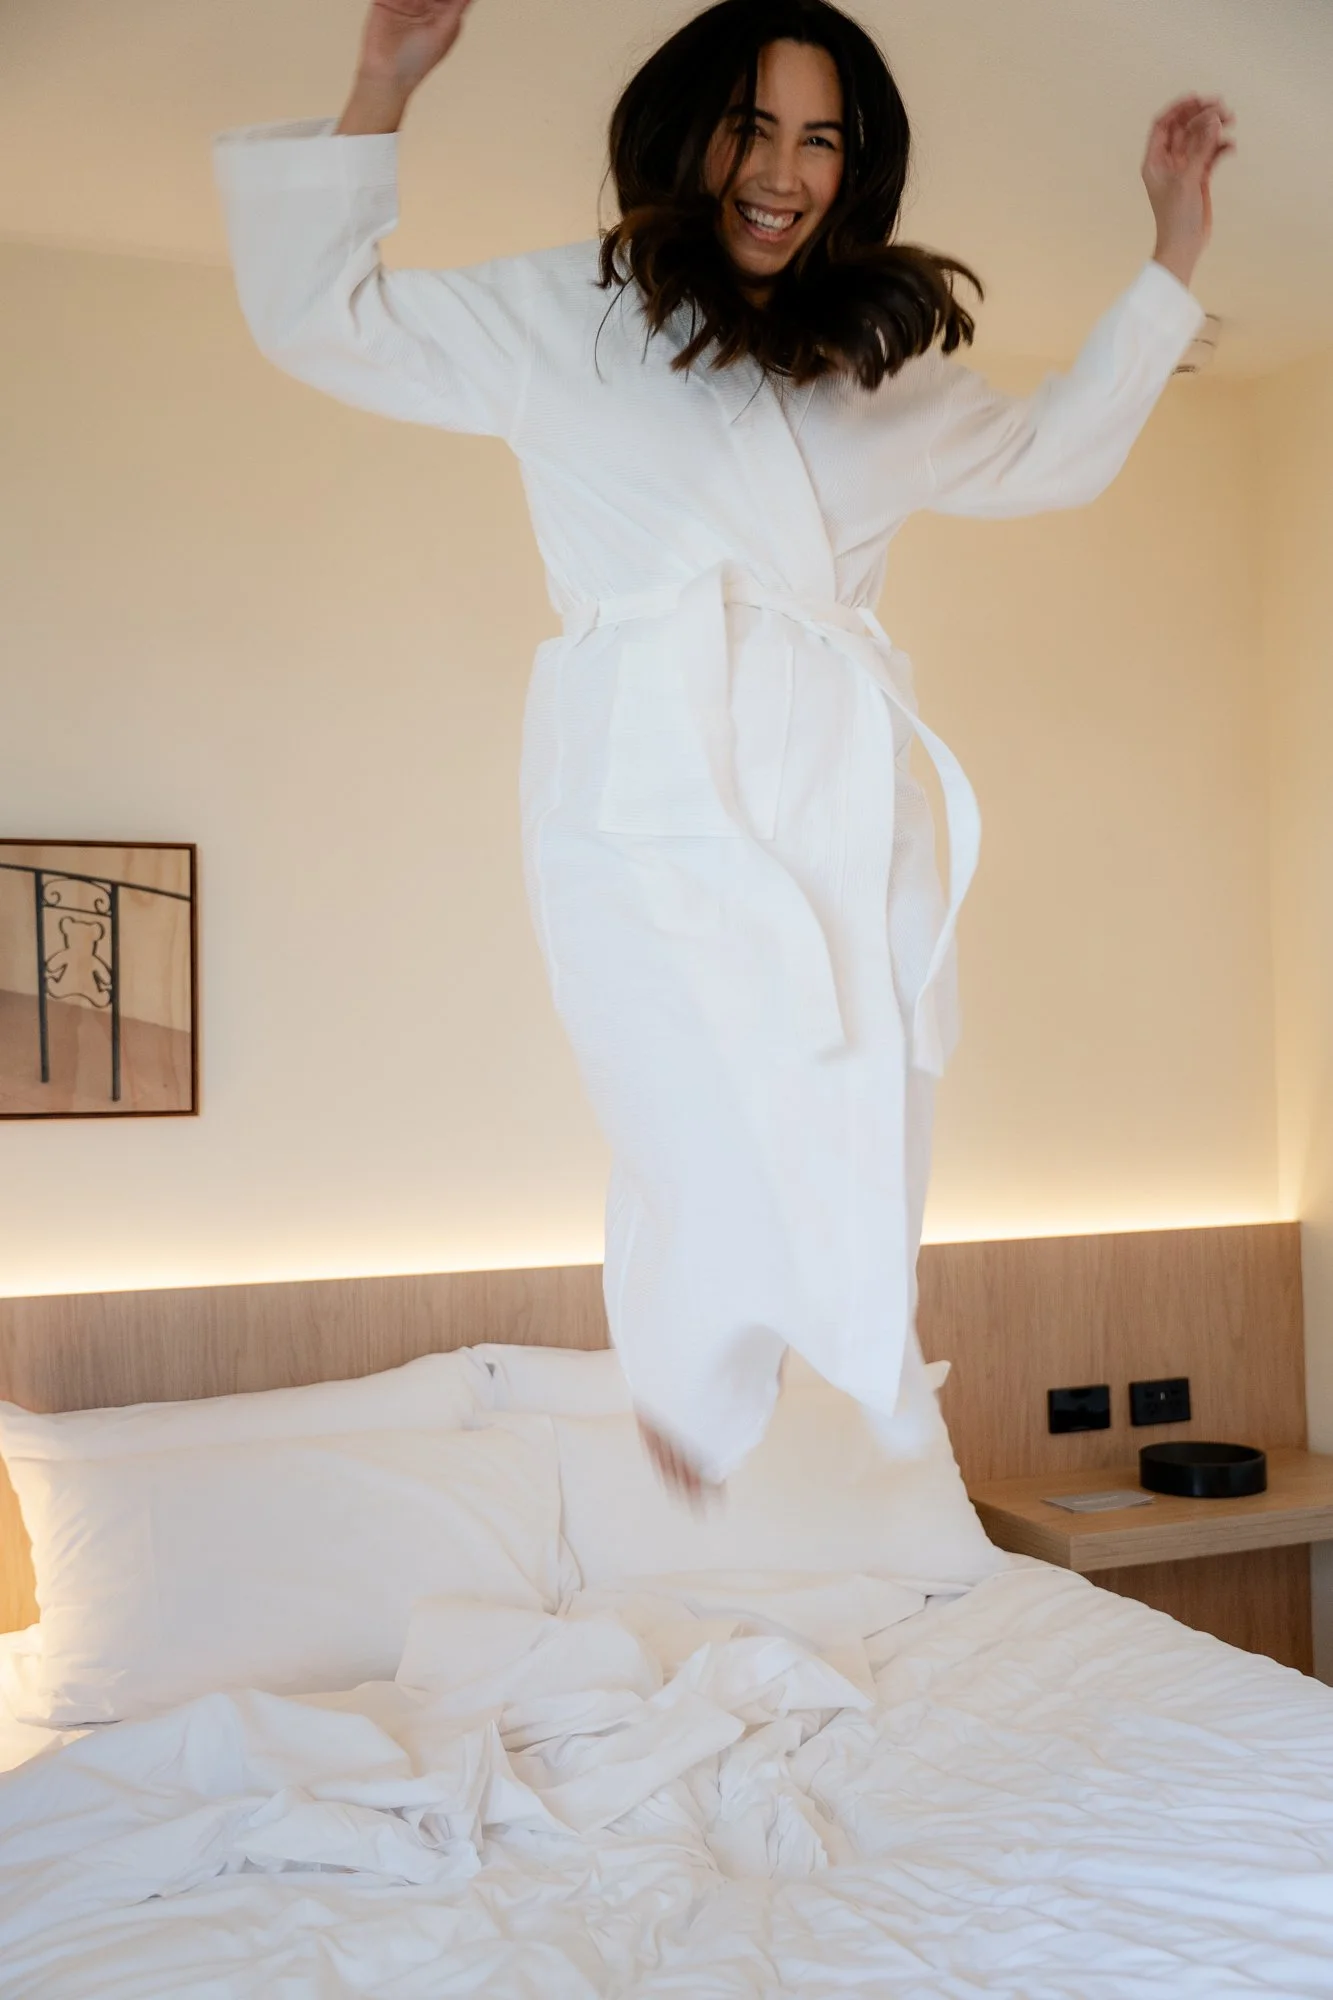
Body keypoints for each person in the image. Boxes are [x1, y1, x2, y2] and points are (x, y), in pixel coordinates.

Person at [213, 0, 1232, 1501]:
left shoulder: (882, 372)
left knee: (861, 1069)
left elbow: (1057, 452)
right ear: (688, 133)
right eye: (753, 125)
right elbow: (321, 316)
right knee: (680, 1087)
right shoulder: (572, 316)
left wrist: (1173, 250)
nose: (783, 168)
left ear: (856, 167)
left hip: (831, 774)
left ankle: (858, 1357)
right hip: (648, 769)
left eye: (821, 138)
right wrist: (382, 86)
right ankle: (688, 1382)